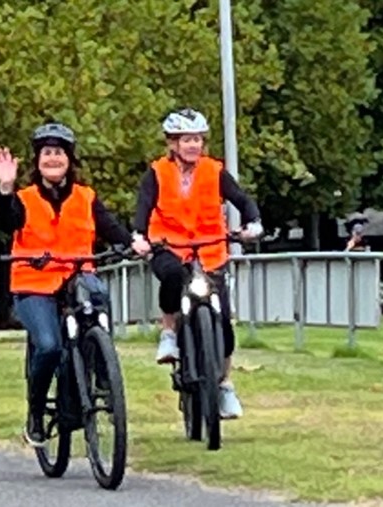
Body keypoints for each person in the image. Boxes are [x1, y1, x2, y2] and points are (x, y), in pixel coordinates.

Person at [0, 122, 149, 447]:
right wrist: (5, 187)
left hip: (77, 277)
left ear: (70, 159)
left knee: (99, 295)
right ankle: (36, 413)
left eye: (59, 153)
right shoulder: (23, 198)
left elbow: (111, 228)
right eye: (46, 153)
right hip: (34, 284)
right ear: (37, 160)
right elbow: (4, 222)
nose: (53, 159)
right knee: (49, 346)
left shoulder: (86, 197)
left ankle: (103, 371)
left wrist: (134, 242)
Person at [132, 107, 263, 420]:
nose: (193, 145)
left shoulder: (213, 171)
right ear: (172, 143)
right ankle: (168, 333)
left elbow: (242, 200)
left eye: (198, 139)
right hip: (170, 246)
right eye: (186, 139)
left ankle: (225, 385)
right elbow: (144, 205)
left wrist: (253, 222)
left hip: (210, 249)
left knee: (224, 321)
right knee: (172, 276)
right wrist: (139, 235)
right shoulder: (157, 172)